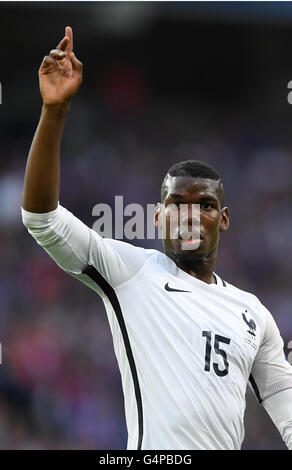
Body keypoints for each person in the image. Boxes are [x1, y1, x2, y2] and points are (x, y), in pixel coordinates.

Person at [21, 27, 292, 450]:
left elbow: (282, 397)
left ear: (222, 219)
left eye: (203, 205)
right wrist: (54, 112)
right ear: (157, 217)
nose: (189, 215)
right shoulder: (131, 272)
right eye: (176, 204)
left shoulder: (253, 314)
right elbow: (42, 218)